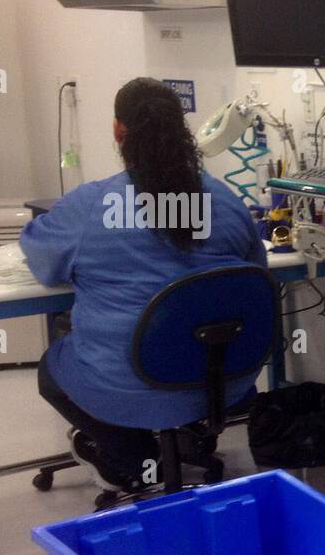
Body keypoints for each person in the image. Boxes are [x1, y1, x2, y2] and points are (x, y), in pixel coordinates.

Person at [21, 77, 267, 494]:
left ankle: (134, 458)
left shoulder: (90, 205)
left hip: (124, 387)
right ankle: (183, 440)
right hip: (220, 380)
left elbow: (43, 264)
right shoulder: (225, 201)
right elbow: (256, 275)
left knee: (52, 370)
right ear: (182, 130)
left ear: (118, 131)